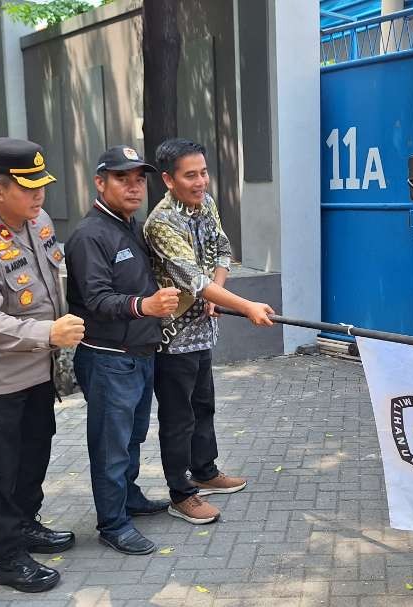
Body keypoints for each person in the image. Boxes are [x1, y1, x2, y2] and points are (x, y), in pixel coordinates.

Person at [0, 138, 85, 592]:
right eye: (29, 187)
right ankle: (5, 557)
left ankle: (24, 526)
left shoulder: (37, 220)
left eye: (42, 184)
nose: (40, 194)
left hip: (34, 373)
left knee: (32, 457)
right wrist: (48, 334)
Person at [144, 138, 274, 525]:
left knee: (204, 406)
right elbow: (192, 278)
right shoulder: (160, 223)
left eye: (203, 172)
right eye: (190, 175)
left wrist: (219, 293)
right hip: (172, 338)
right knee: (177, 416)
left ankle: (205, 470)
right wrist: (245, 304)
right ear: (168, 179)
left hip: (203, 329)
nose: (201, 181)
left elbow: (220, 249)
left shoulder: (207, 204)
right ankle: (181, 493)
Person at [65, 145, 181, 555]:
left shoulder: (130, 225)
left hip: (139, 353)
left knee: (132, 437)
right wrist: (144, 306)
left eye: (138, 179)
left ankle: (127, 498)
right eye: (121, 178)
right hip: (108, 357)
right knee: (110, 446)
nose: (133, 187)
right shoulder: (88, 234)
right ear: (100, 182)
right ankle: (113, 523)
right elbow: (96, 299)